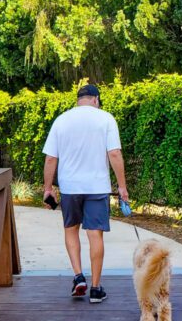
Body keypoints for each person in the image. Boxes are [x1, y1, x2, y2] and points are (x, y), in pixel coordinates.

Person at [42, 83, 129, 303]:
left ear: (78, 100)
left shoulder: (61, 120)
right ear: (96, 99)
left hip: (70, 187)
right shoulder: (106, 119)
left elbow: (51, 158)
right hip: (97, 187)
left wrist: (47, 189)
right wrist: (122, 187)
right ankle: (96, 288)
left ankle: (79, 277)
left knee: (71, 230)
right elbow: (115, 154)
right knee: (95, 234)